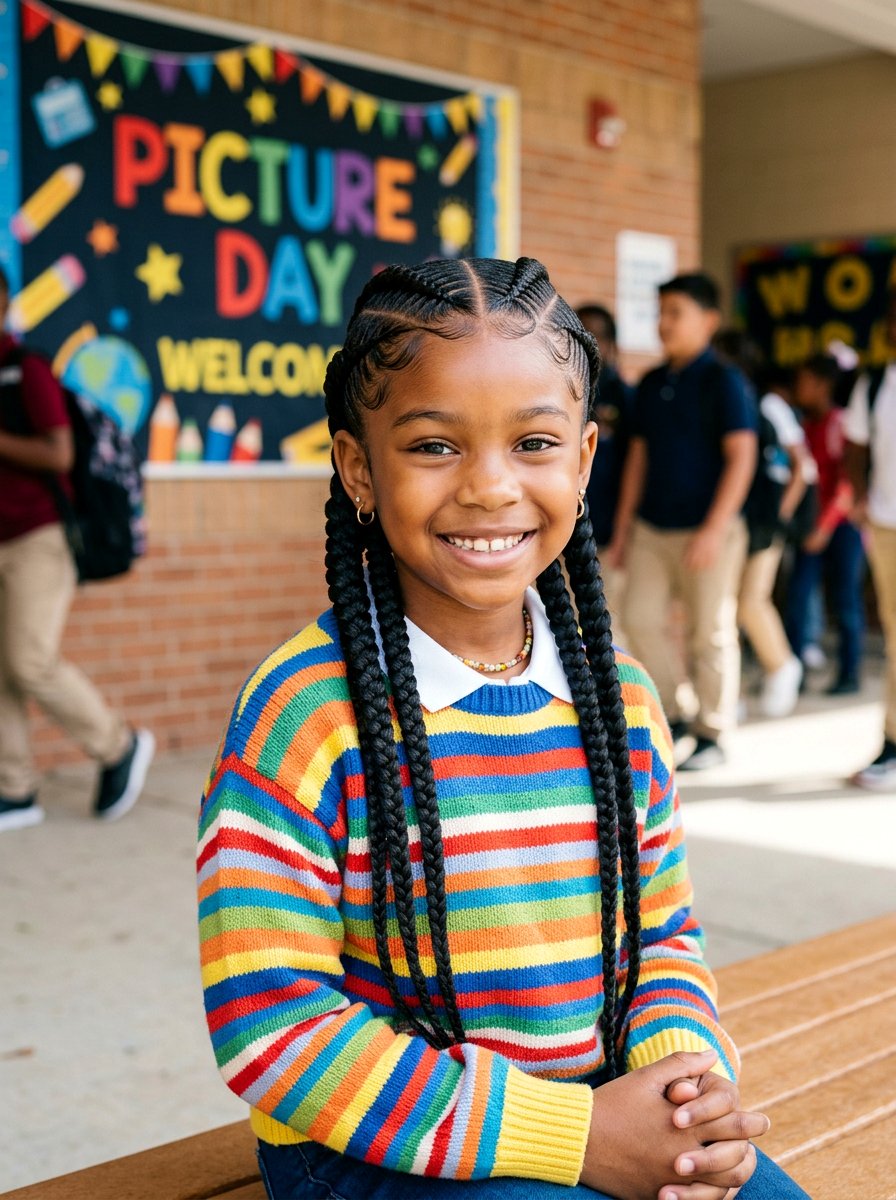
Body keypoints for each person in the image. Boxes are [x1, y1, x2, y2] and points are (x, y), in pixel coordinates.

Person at [198, 257, 808, 1200]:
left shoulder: (622, 701)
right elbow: (270, 1021)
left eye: (533, 443)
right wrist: (576, 1136)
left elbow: (666, 937)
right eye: (434, 446)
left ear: (585, 460)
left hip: (600, 1105)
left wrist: (683, 1097)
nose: (490, 487)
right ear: (358, 466)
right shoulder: (303, 713)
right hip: (372, 1151)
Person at [0, 265, 154, 831]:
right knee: (2, 670)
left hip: (39, 539)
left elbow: (60, 454)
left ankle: (117, 746)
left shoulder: (28, 370)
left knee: (30, 660)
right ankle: (14, 789)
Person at [606, 274, 757, 770]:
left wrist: (715, 529)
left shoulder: (724, 381)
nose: (663, 323)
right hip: (652, 527)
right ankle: (674, 714)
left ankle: (713, 732)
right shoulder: (650, 384)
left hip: (708, 528)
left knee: (709, 631)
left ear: (708, 321)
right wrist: (625, 531)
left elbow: (742, 456)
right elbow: (638, 461)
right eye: (660, 312)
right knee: (640, 619)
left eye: (676, 313)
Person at [712, 333, 808, 718]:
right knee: (728, 608)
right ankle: (729, 696)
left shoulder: (768, 404)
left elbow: (803, 467)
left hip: (765, 525)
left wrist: (780, 516)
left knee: (752, 600)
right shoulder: (727, 402)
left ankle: (783, 667)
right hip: (740, 521)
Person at [785, 353, 865, 696]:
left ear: (821, 386)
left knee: (846, 600)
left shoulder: (840, 423)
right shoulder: (802, 426)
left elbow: (848, 481)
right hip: (811, 527)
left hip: (841, 527)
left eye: (804, 381)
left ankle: (850, 673)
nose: (798, 389)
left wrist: (825, 526)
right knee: (798, 598)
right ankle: (796, 673)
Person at [845, 287, 896, 788]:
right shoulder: (877, 382)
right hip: (888, 524)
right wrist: (859, 494)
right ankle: (894, 742)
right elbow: (854, 447)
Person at [577, 304, 633, 635]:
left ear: (610, 343)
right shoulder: (560, 388)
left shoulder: (624, 396)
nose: (587, 340)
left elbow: (633, 469)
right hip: (562, 528)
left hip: (609, 530)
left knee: (608, 622)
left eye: (595, 334)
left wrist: (625, 532)